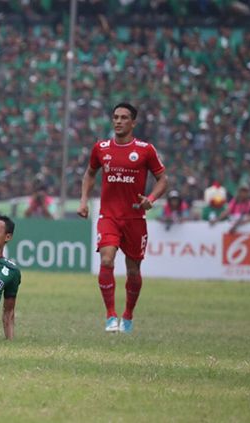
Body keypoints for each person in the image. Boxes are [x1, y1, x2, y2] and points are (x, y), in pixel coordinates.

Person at [77, 103, 167, 334]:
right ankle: (110, 316)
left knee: (133, 270)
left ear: (133, 123)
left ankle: (128, 315)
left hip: (135, 218)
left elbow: (163, 180)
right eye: (115, 117)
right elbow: (90, 173)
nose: (118, 121)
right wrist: (84, 200)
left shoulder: (146, 150)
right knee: (107, 260)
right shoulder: (101, 148)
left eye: (124, 118)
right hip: (108, 216)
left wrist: (151, 199)